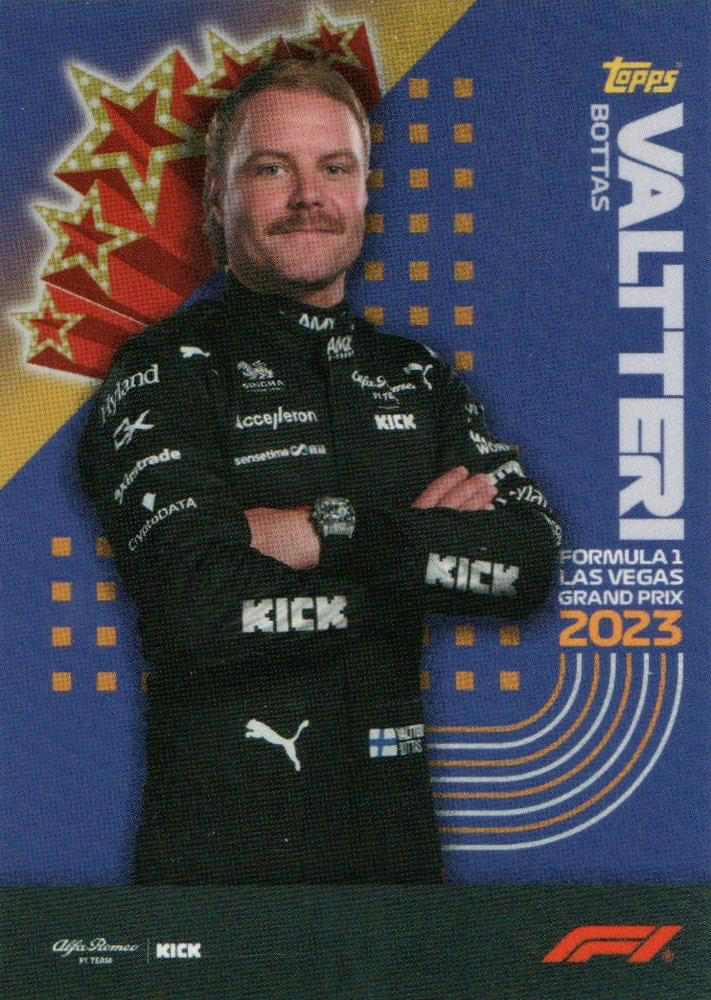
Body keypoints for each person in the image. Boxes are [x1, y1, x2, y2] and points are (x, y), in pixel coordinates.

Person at [77, 59, 561, 885]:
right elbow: (197, 607)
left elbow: (527, 564)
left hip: (395, 853)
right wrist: (414, 559)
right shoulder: (162, 372)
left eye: (334, 168)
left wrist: (329, 532)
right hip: (219, 863)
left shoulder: (419, 377)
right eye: (271, 169)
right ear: (217, 198)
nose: (309, 195)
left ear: (364, 192)